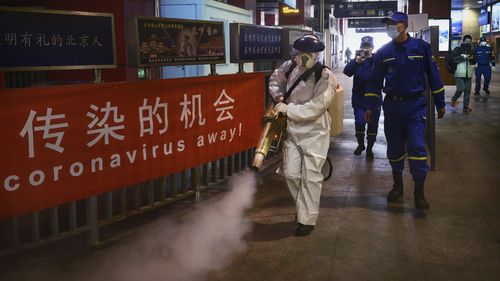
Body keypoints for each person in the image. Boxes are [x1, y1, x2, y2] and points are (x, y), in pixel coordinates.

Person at [364, 12, 446, 209]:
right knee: (394, 148)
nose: (390, 27)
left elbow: (434, 76)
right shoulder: (384, 52)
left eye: (393, 23)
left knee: (417, 147)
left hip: (415, 106)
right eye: (388, 24)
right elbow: (374, 82)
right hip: (392, 107)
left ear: (403, 25)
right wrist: (369, 107)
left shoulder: (421, 48)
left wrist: (440, 102)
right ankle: (398, 186)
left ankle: (419, 193)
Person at [269, 34, 338, 236]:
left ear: (316, 54)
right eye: (300, 52)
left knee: (311, 177)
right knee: (290, 173)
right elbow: (274, 80)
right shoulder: (289, 67)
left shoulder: (325, 76)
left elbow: (316, 107)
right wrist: (278, 96)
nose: (303, 56)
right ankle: (303, 210)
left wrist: (287, 110)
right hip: (292, 130)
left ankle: (307, 220)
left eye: (308, 53)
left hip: (315, 133)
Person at [343, 36, 379, 159]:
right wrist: (356, 62)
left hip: (374, 99)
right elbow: (346, 72)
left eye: (368, 47)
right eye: (364, 47)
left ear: (373, 48)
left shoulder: (376, 60)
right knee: (359, 122)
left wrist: (372, 59)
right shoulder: (357, 61)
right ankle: (360, 145)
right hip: (359, 99)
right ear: (360, 48)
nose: (366, 49)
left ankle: (370, 148)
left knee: (373, 125)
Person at [451, 35, 476, 112]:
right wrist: (462, 57)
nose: (468, 43)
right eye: (466, 41)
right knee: (460, 89)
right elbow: (453, 59)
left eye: (469, 42)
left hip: (469, 73)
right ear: (463, 41)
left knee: (468, 90)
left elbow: (474, 61)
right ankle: (454, 99)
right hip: (459, 73)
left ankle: (466, 106)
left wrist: (472, 60)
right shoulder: (457, 49)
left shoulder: (472, 51)